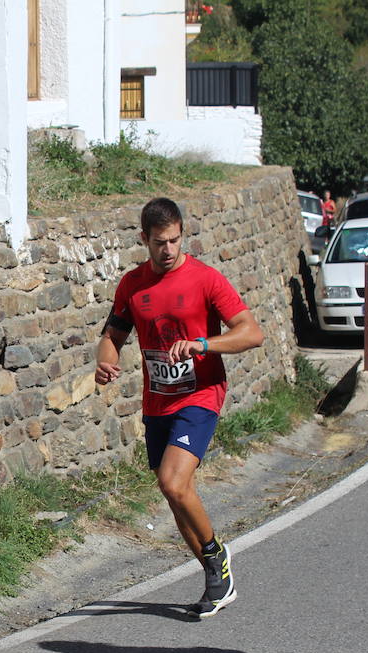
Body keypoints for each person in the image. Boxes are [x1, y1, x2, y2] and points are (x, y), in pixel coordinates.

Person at [93, 198, 265, 618]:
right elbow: (112, 334)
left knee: (173, 482)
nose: (168, 250)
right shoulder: (132, 285)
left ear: (182, 234)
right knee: (175, 495)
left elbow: (252, 333)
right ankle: (214, 576)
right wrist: (105, 361)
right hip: (158, 401)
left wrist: (204, 343)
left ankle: (216, 554)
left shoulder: (206, 279)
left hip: (200, 394)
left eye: (174, 241)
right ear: (144, 240)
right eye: (158, 243)